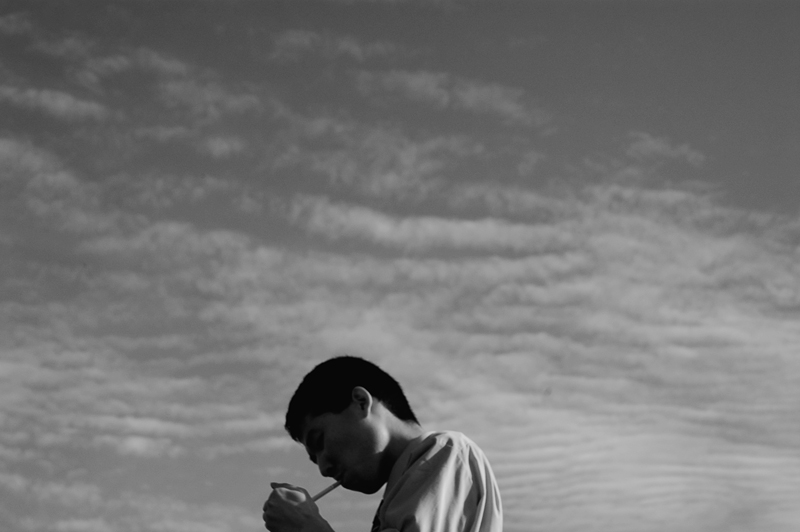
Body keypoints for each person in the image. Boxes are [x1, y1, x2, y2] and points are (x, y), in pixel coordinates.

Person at [262, 355, 503, 532]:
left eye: (320, 441)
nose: (324, 468)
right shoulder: (407, 483)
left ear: (360, 402)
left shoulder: (445, 451)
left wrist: (306, 527)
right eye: (315, 460)